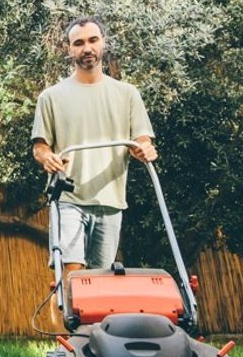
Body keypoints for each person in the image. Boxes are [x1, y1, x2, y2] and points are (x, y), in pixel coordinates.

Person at [30, 16, 158, 273]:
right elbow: (40, 147)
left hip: (111, 201)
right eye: (78, 43)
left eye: (92, 40)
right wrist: (47, 158)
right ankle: (65, 312)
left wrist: (144, 149)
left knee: (102, 279)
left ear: (103, 43)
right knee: (72, 271)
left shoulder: (127, 94)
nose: (86, 48)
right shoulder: (51, 97)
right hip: (68, 197)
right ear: (69, 49)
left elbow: (143, 139)